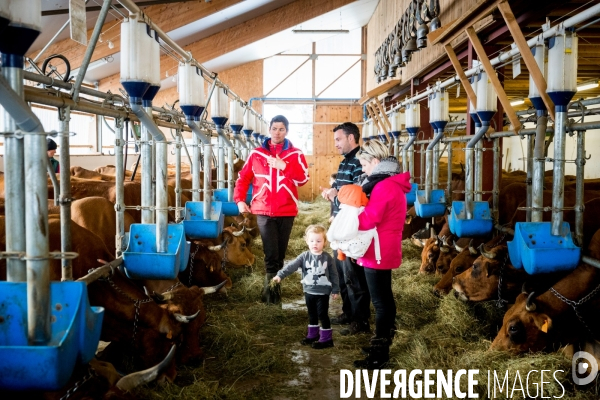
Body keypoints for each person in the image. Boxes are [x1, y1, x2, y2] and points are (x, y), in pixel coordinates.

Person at [234, 115, 309, 304]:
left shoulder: (295, 154)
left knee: (280, 254)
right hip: (263, 210)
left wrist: (284, 166)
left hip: (287, 211)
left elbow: (303, 179)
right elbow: (243, 179)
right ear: (269, 130)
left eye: (281, 129)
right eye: (274, 128)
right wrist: (239, 200)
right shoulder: (257, 154)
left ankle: (275, 290)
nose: (277, 132)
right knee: (270, 253)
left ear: (287, 131)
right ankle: (270, 296)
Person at [352, 140, 411, 369]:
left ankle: (380, 352)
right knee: (384, 299)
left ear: (376, 163)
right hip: (382, 247)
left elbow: (370, 219)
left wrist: (352, 215)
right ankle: (382, 342)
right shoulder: (390, 184)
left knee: (381, 302)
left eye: (365, 165)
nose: (364, 170)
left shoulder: (384, 186)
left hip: (378, 249)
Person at [321, 122, 370, 336]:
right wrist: (333, 192)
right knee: (341, 273)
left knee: (354, 276)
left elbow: (359, 193)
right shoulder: (344, 163)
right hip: (340, 225)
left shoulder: (359, 163)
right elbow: (344, 189)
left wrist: (336, 195)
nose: (336, 144)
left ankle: (360, 321)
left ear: (351, 138)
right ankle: (348, 313)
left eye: (339, 139)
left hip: (353, 228)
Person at [273, 224, 340, 349]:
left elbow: (334, 274)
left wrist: (336, 289)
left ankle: (326, 339)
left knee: (322, 314)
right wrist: (280, 275)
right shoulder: (304, 256)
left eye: (319, 241)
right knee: (311, 313)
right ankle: (313, 335)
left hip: (322, 292)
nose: (315, 244)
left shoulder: (327, 258)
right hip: (309, 291)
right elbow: (291, 266)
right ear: (307, 241)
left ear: (324, 242)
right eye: (312, 241)